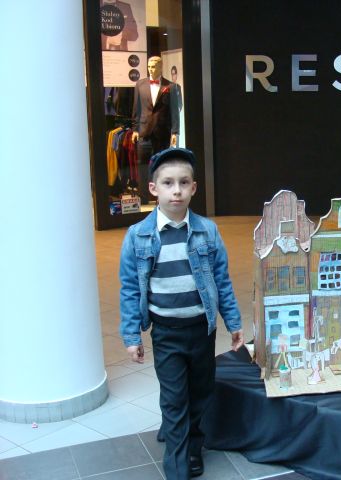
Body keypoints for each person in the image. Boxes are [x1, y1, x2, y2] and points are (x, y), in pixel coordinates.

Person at [119, 147, 244, 479]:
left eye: (183, 183)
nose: (176, 190)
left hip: (201, 330)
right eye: (168, 183)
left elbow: (221, 280)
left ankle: (192, 445)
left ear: (194, 188)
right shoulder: (138, 236)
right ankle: (177, 464)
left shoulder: (207, 231)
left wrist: (233, 322)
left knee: (200, 392)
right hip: (166, 333)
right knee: (175, 397)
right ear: (153, 189)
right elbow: (130, 288)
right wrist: (132, 335)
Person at [132, 56, 180, 203]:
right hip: (144, 131)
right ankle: (143, 197)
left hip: (162, 131)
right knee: (143, 165)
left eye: (153, 66)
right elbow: (136, 108)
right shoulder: (140, 85)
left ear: (160, 67)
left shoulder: (171, 86)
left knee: (162, 165)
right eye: (149, 66)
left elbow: (174, 110)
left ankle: (162, 197)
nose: (151, 69)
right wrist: (135, 129)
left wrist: (175, 131)